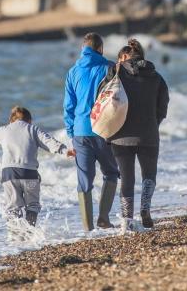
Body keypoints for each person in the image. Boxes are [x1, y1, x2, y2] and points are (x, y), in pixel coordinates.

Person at [100, 38, 169, 232]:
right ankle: (145, 209)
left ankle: (127, 220)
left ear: (125, 56)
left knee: (127, 177)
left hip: (120, 134)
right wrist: (153, 124)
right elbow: (162, 107)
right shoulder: (156, 77)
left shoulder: (116, 73)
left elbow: (101, 100)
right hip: (148, 133)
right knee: (149, 175)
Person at [0, 106, 75, 226]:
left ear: (11, 120)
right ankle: (30, 232)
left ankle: (17, 237)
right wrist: (65, 150)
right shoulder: (33, 129)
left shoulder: (4, 130)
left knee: (13, 208)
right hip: (29, 174)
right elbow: (49, 142)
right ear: (29, 120)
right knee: (33, 205)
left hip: (10, 175)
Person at [63, 32, 120, 231]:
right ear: (100, 49)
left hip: (80, 133)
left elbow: (68, 107)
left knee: (84, 180)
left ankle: (87, 228)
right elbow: (119, 100)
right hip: (103, 130)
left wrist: (71, 133)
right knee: (111, 173)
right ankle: (103, 218)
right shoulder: (109, 68)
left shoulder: (72, 72)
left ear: (83, 49)